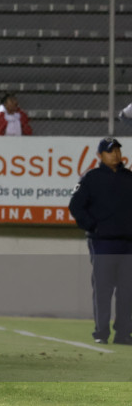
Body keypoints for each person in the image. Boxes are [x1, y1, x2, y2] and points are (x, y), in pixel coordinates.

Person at [68, 137, 132, 345]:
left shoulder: (129, 178)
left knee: (127, 291)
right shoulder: (91, 178)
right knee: (103, 290)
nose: (115, 154)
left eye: (117, 150)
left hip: (128, 243)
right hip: (102, 241)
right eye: (110, 151)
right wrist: (93, 226)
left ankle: (123, 334)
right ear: (100, 155)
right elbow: (76, 206)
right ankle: (101, 333)